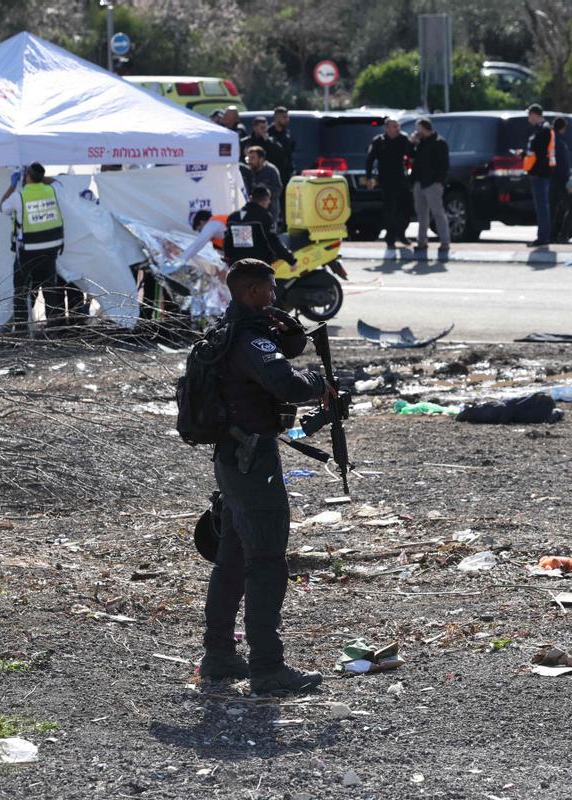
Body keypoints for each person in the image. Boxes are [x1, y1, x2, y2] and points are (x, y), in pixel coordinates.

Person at [200, 258, 331, 695]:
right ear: (253, 291)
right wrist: (319, 381)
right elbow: (288, 384)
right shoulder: (249, 340)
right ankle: (267, 667)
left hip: (232, 458)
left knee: (234, 558)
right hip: (252, 462)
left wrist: (286, 333)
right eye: (269, 291)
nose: (274, 299)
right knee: (268, 561)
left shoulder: (224, 332)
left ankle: (219, 656)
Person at [0, 162, 67, 332]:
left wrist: (12, 185)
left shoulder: (19, 196)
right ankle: (55, 329)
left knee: (21, 291)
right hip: (50, 250)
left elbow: (2, 206)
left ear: (27, 176)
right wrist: (40, 178)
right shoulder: (51, 190)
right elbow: (58, 183)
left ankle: (21, 329)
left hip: (27, 251)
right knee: (50, 288)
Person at [365, 118, 413, 248]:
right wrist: (369, 178)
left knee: (407, 207)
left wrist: (414, 143)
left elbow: (412, 154)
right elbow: (370, 160)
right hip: (386, 179)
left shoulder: (403, 139)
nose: (397, 129)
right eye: (394, 126)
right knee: (390, 209)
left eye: (398, 126)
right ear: (387, 128)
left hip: (401, 178)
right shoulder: (379, 141)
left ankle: (401, 233)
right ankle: (390, 238)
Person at [407, 117, 451, 258]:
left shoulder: (439, 142)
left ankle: (445, 241)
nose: (416, 131)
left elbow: (444, 165)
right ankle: (422, 241)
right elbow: (411, 155)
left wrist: (439, 181)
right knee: (421, 214)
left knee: (438, 213)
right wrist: (411, 142)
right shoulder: (421, 142)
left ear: (425, 128)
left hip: (432, 183)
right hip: (419, 181)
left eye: (418, 128)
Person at [223, 186, 296, 266]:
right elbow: (273, 241)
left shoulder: (233, 217)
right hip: (259, 266)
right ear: (265, 200)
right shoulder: (264, 217)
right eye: (268, 201)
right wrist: (290, 259)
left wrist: (228, 260)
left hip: (237, 266)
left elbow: (227, 242)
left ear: (251, 198)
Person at [524, 104, 554, 247]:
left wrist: (526, 154)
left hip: (541, 173)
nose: (528, 118)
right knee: (541, 206)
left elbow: (539, 152)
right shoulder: (539, 129)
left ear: (536, 115)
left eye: (530, 115)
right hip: (537, 172)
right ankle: (542, 236)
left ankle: (543, 237)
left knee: (542, 206)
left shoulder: (544, 130)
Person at [243, 146, 285, 227]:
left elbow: (278, 189)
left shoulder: (271, 171)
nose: (250, 161)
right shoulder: (247, 171)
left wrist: (264, 190)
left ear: (261, 159)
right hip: (252, 213)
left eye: (253, 158)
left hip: (270, 212)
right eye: (248, 158)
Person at [549, 117, 572, 243]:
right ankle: (563, 235)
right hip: (561, 179)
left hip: (553, 178)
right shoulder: (559, 141)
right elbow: (563, 164)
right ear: (563, 128)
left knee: (555, 207)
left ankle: (553, 234)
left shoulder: (553, 139)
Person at [267, 107, 295, 184]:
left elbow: (289, 153)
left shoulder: (287, 134)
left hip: (286, 174)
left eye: (287, 117)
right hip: (272, 174)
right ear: (277, 118)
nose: (287, 119)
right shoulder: (268, 134)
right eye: (284, 117)